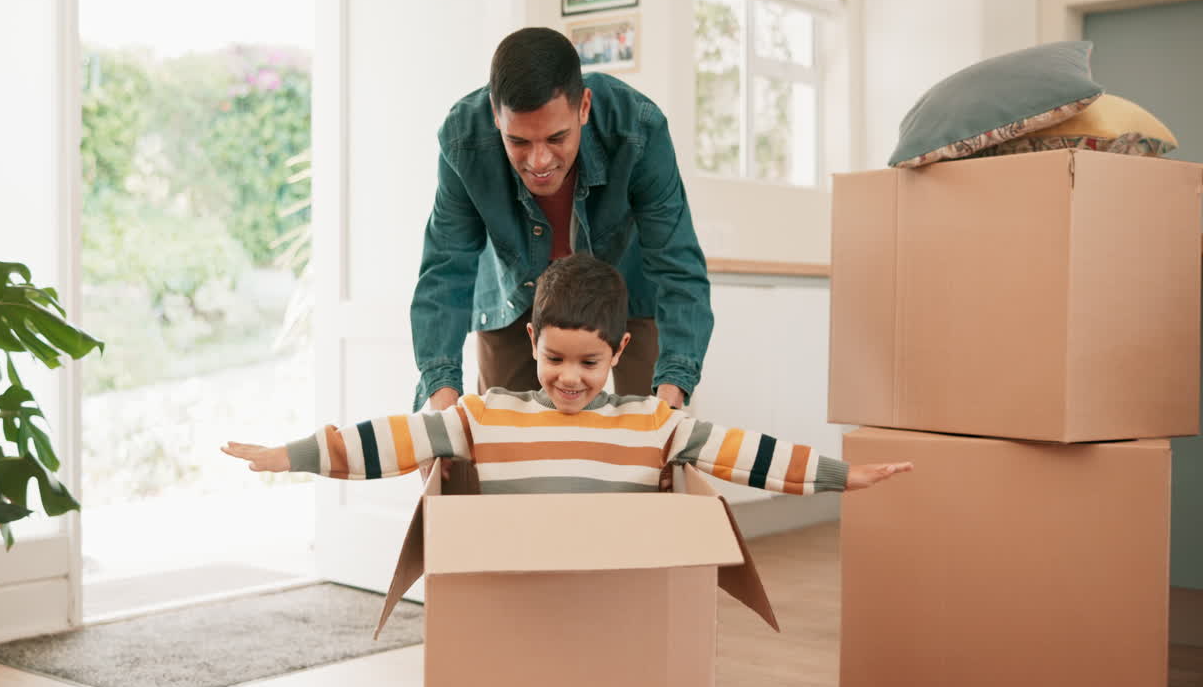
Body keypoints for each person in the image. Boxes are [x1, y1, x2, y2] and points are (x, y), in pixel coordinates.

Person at [224, 253, 911, 494]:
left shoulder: (651, 423)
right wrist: (291, 455)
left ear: (617, 352)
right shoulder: (487, 415)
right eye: (554, 359)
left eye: (589, 362)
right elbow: (392, 441)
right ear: (531, 342)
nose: (571, 378)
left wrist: (841, 475)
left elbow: (746, 454)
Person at [410, 27, 712, 416]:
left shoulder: (638, 129)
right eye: (518, 141)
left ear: (583, 107)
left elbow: (677, 263)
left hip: (628, 287)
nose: (538, 162)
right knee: (499, 441)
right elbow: (445, 269)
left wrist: (672, 401)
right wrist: (440, 408)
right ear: (494, 115)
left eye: (556, 138)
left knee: (654, 438)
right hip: (514, 294)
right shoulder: (462, 139)